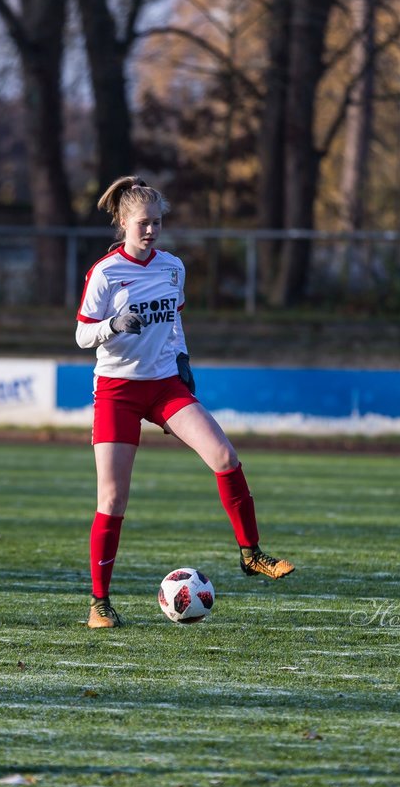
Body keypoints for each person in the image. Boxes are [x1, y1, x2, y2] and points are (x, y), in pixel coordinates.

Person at [75, 176, 294, 629]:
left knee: (224, 455)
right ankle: (99, 603)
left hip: (163, 384)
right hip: (117, 391)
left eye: (157, 222)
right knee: (112, 499)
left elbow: (174, 321)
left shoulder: (172, 267)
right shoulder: (105, 272)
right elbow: (81, 335)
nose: (151, 230)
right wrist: (112, 325)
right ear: (122, 222)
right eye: (143, 223)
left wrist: (182, 357)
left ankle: (251, 555)